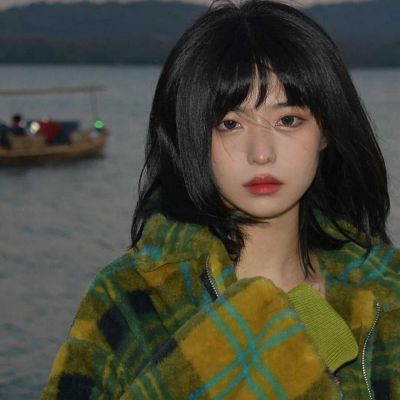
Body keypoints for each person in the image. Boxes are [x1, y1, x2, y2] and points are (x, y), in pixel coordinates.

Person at [41, 1, 400, 399]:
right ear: (191, 136)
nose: (261, 153)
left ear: (327, 130)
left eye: (288, 120)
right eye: (229, 124)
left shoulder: (384, 290)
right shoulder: (136, 296)